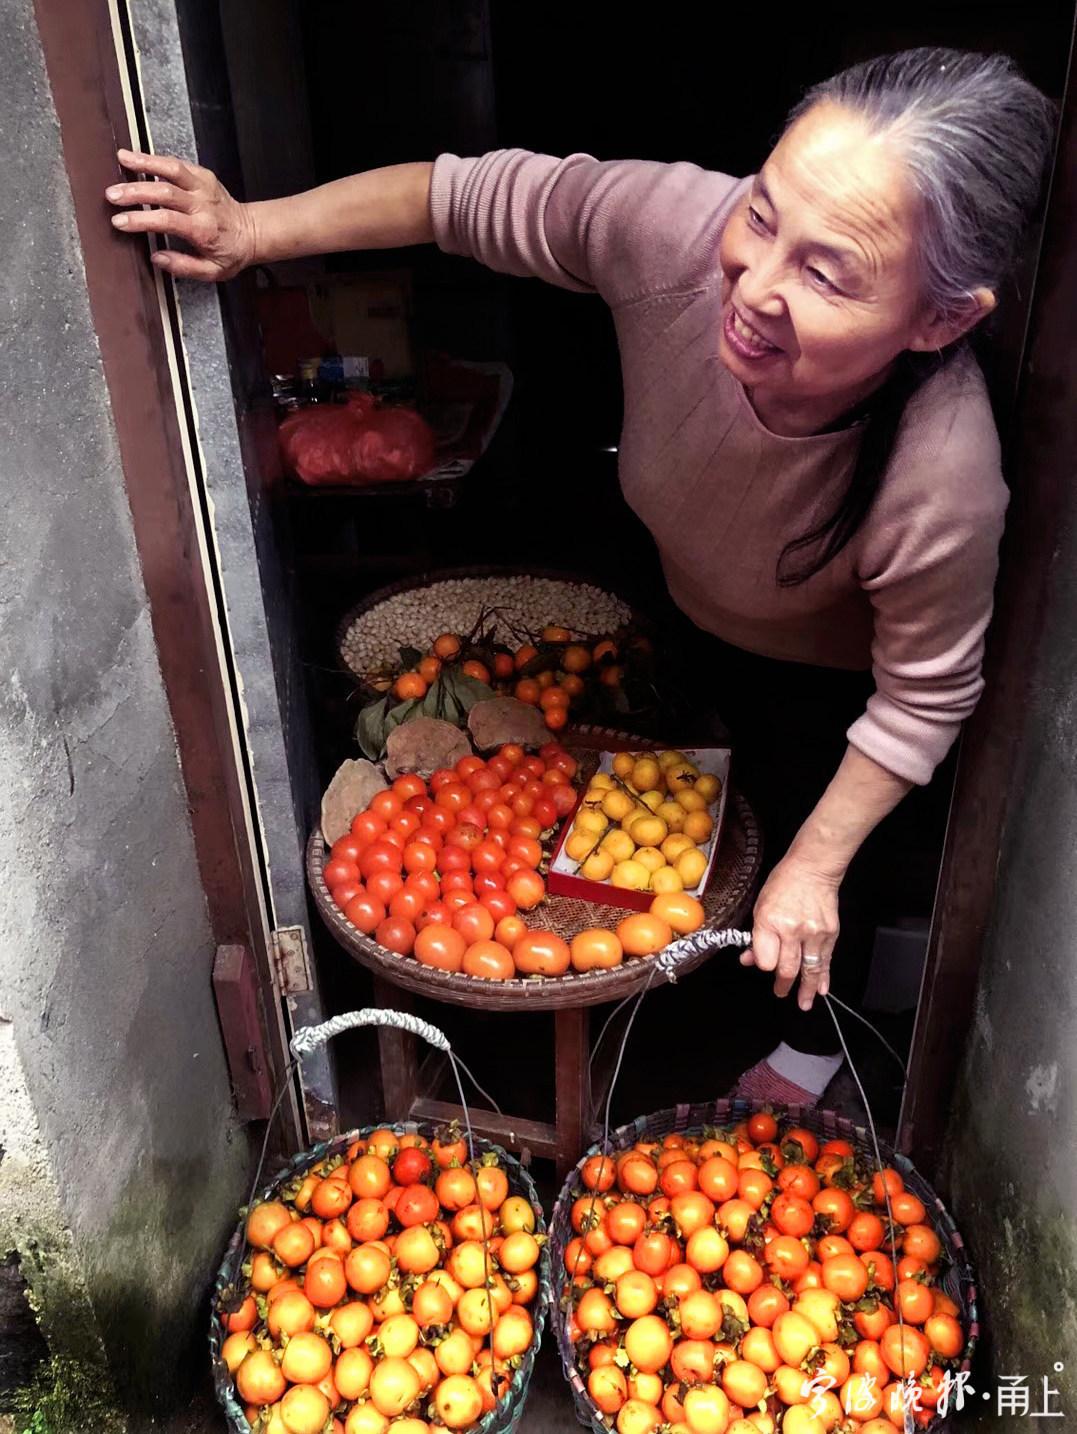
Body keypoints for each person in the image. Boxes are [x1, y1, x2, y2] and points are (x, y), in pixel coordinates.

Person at [106, 48, 1055, 1105]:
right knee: (663, 833)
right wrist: (254, 230)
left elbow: (925, 695)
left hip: (832, 686)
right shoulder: (671, 230)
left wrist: (819, 865)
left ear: (941, 320)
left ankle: (802, 1053)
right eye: (762, 212)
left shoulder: (942, 478)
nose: (754, 282)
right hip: (682, 603)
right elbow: (462, 194)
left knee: (801, 867)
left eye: (828, 273)